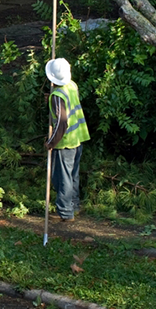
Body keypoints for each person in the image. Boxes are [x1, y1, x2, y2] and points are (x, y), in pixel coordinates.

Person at [45, 58, 90, 221]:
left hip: (65, 143)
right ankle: (74, 205)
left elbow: (61, 123)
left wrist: (51, 142)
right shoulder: (72, 85)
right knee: (72, 176)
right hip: (78, 138)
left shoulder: (57, 96)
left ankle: (66, 212)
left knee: (63, 179)